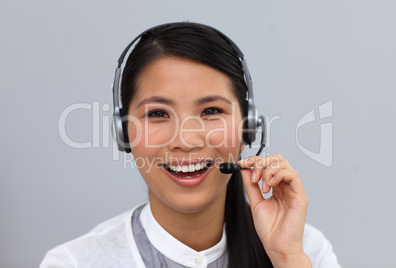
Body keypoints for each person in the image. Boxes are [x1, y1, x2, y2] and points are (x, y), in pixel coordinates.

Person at [40, 22, 340, 268]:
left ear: (248, 126)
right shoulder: (75, 262)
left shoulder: (307, 251)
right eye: (157, 114)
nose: (186, 140)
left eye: (211, 111)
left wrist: (286, 259)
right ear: (123, 132)